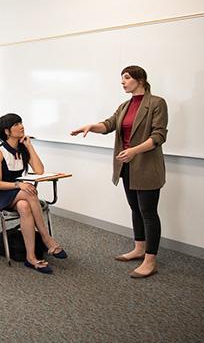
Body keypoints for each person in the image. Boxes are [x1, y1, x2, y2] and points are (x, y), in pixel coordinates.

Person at [71, 65, 168, 278]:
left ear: (139, 79)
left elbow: (159, 136)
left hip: (146, 166)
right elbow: (109, 125)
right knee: (135, 208)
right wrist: (90, 126)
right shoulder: (125, 105)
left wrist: (134, 150)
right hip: (126, 165)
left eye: (126, 78)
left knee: (149, 213)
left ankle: (150, 260)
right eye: (122, 78)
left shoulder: (156, 103)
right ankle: (139, 248)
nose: (122, 82)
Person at [0, 113, 68, 274]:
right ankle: (47, 239)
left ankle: (31, 258)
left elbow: (39, 170)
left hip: (18, 192)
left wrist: (30, 146)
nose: (21, 126)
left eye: (21, 123)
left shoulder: (22, 148)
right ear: (7, 131)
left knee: (24, 206)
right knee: (30, 193)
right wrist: (18, 184)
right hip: (0, 192)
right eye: (16, 124)